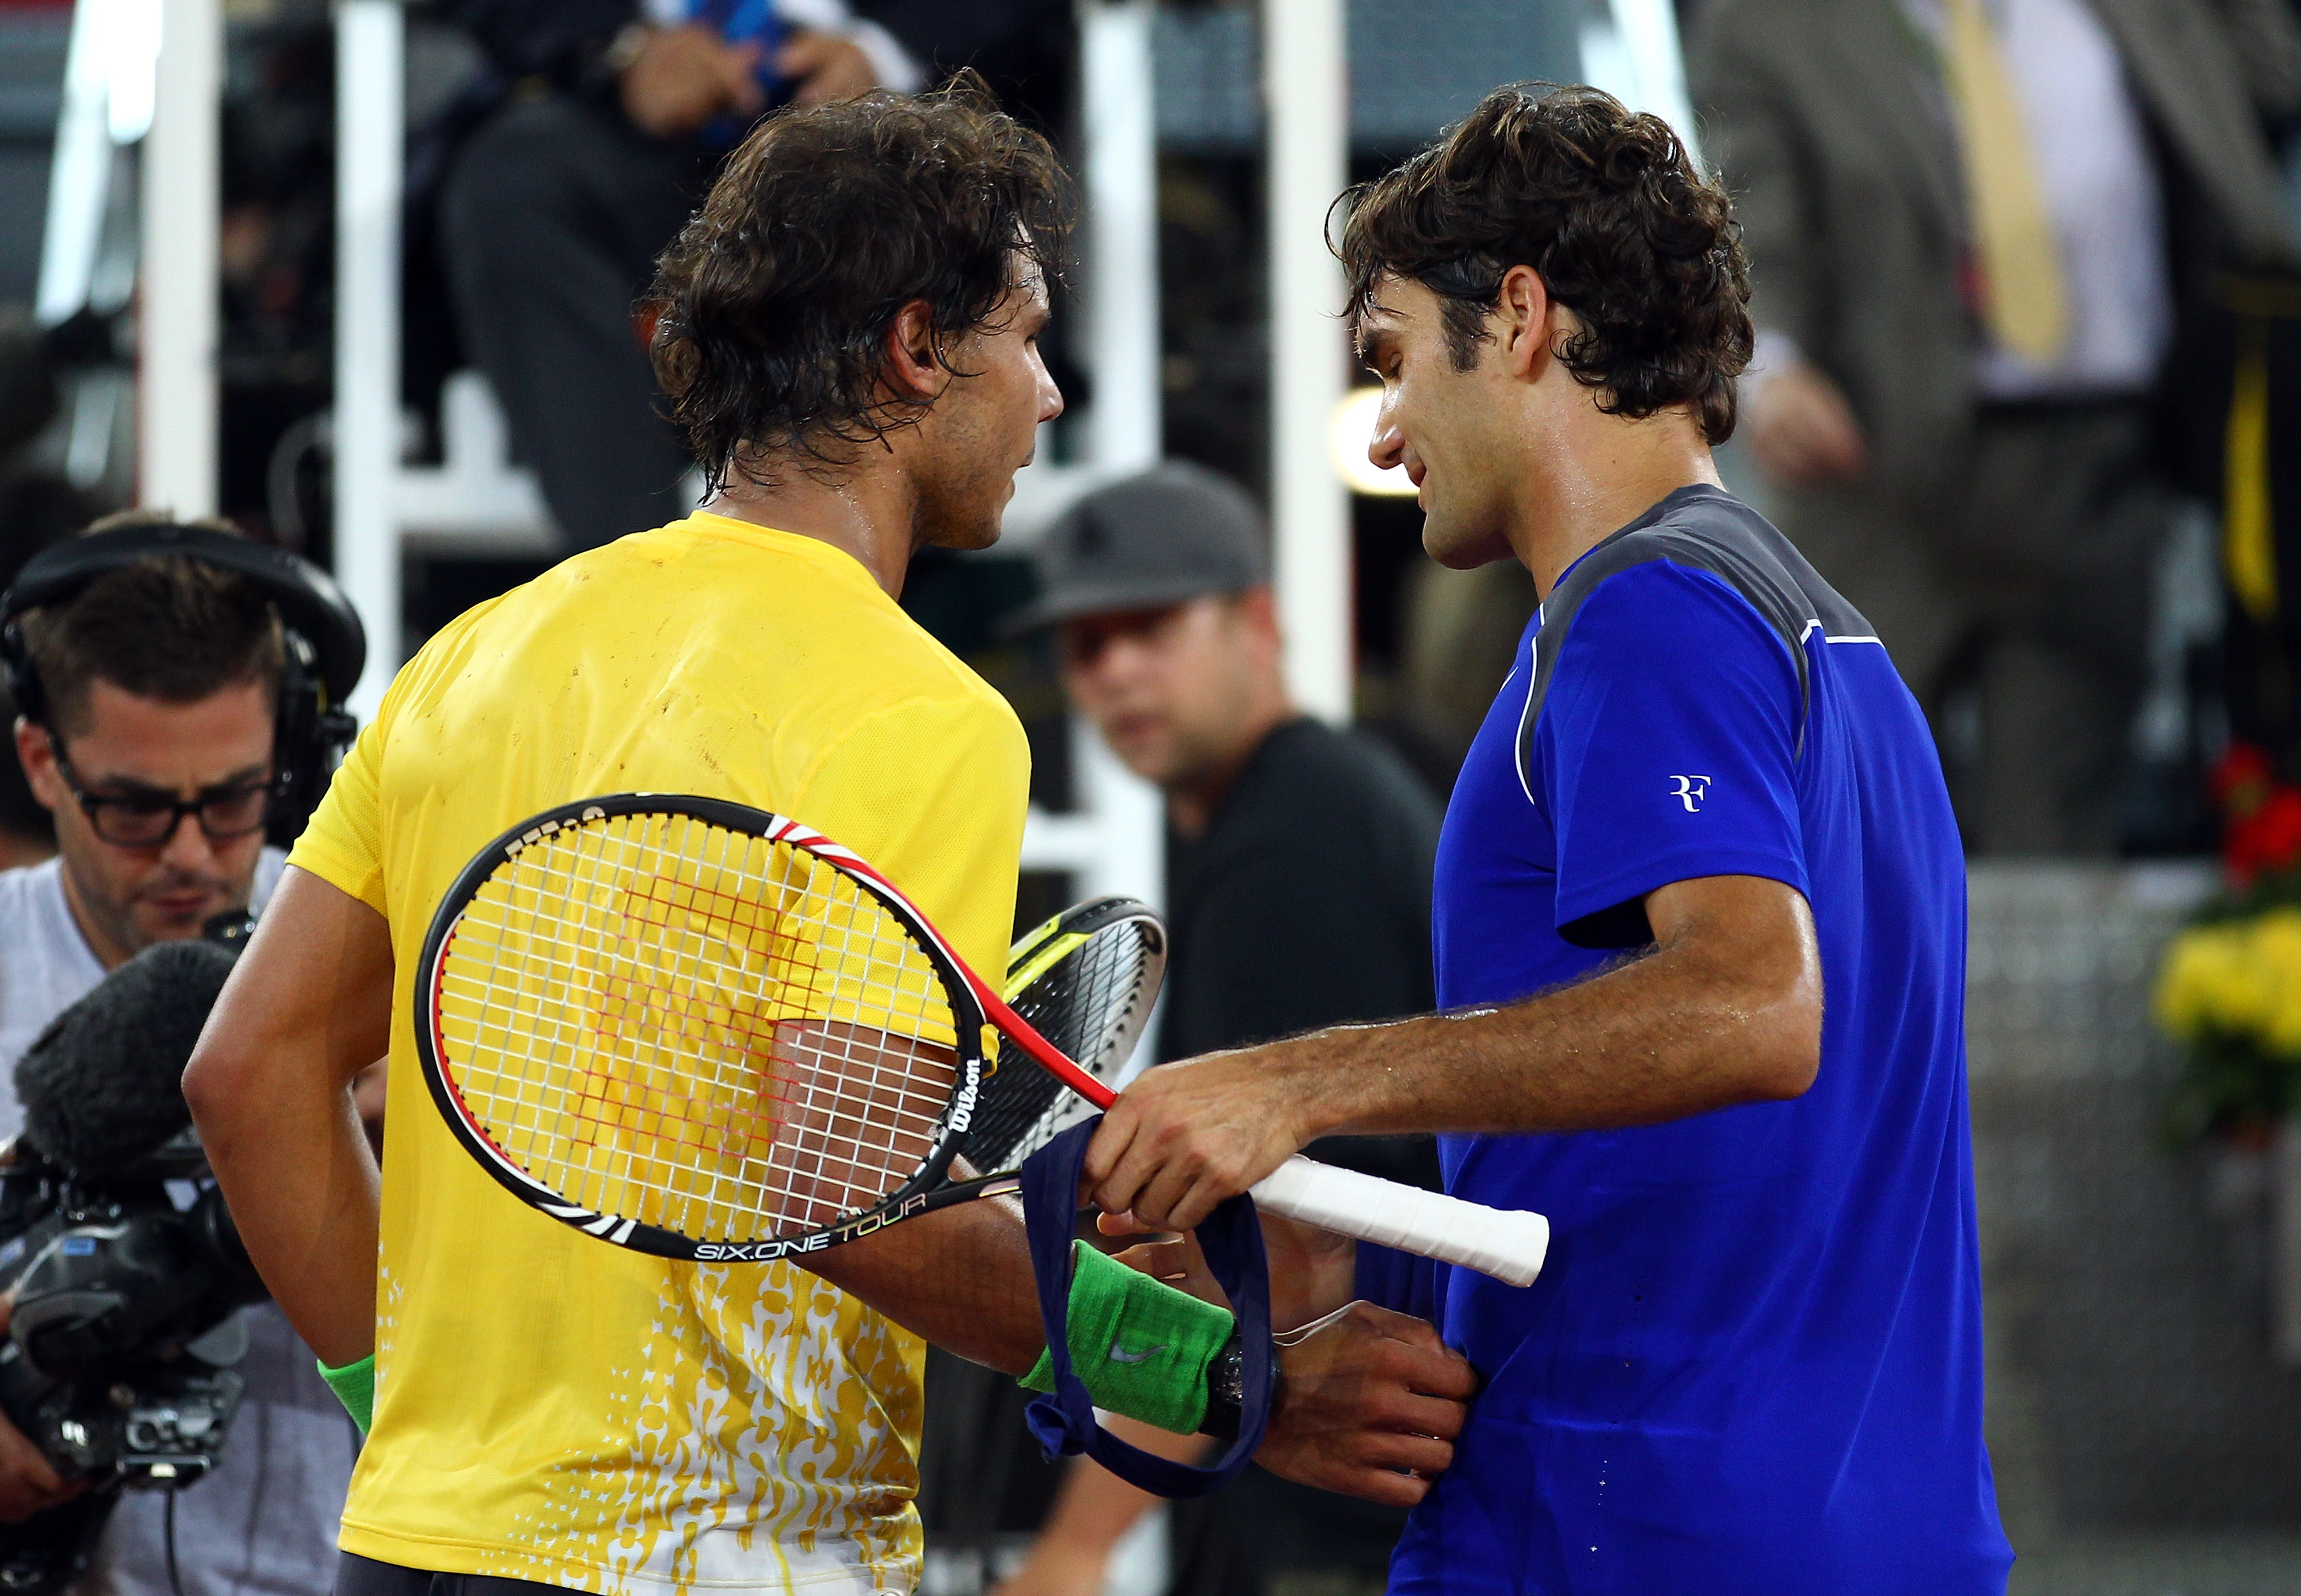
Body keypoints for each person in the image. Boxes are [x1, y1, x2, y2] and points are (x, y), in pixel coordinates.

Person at [183, 85, 1473, 1596]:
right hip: (718, 1564)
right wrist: (1229, 1373)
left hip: (414, 1548)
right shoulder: (918, 709)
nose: (1051, 395)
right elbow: (846, 1203)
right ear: (918, 350)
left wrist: (394, 1415)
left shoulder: (477, 652)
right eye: (1030, 336)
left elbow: (248, 1070)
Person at [1082, 85, 2013, 1591]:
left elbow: (1748, 1009)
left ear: (1518, 319)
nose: (1384, 434)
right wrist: (1336, 1273)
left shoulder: (1640, 612)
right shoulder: (1840, 650)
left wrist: (1293, 1084)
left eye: (1390, 362)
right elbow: (1728, 1157)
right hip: (1869, 1531)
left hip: (1634, 1531)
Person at [1691, 0, 2301, 855]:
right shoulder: (1769, 21)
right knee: (1855, 834)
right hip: (1877, 472)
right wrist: (1771, 368)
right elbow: (1752, 203)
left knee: (2056, 839)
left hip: (2101, 465)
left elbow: (2275, 80)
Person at [990, 464, 1445, 1596]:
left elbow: (1277, 1252)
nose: (1118, 671)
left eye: (1151, 625)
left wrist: (1077, 1545)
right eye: (1087, 644)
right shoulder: (1301, 809)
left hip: (1351, 1521)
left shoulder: (1294, 842)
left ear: (1257, 622)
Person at [0, 514, 358, 1596]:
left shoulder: (381, 964)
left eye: (236, 798)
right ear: (42, 762)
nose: (195, 855)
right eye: (137, 809)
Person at [432, 0, 1072, 551]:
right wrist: (623, 46)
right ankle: (652, 605)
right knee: (513, 185)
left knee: (937, 219)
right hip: (621, 129)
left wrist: (884, 54)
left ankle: (809, 612)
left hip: (891, 129)